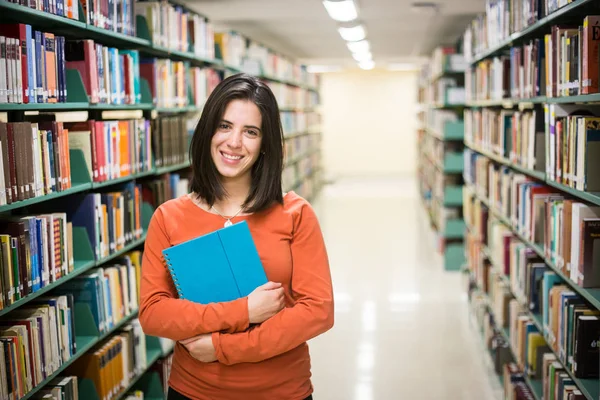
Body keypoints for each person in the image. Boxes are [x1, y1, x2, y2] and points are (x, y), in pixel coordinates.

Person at [139, 73, 335, 400]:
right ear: (207, 131)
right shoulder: (168, 217)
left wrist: (222, 347)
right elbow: (154, 314)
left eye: (251, 132)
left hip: (280, 392)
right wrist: (244, 311)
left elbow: (318, 311)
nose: (234, 142)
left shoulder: (295, 214)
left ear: (265, 145)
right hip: (194, 392)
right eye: (225, 126)